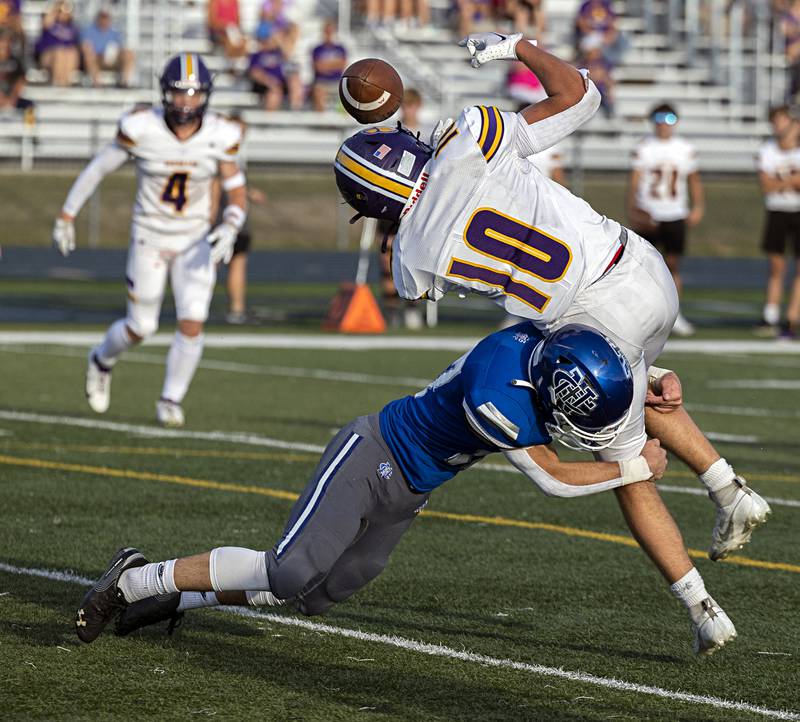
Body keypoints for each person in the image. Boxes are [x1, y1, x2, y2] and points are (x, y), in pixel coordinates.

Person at [333, 32, 771, 558]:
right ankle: (726, 487)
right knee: (639, 387)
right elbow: (581, 96)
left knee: (625, 468)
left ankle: (698, 604)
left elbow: (415, 242)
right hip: (638, 263)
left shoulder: (411, 262)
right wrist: (518, 47)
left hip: (592, 318)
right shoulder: (469, 137)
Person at [75, 324, 737, 656]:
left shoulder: (553, 343)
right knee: (291, 568)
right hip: (374, 455)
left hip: (413, 487)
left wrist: (653, 376)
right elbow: (555, 478)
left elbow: (605, 352)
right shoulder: (495, 392)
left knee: (319, 596)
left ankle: (178, 600)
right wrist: (636, 469)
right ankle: (136, 582)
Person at [51, 54, 248, 427]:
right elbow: (98, 169)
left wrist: (231, 224)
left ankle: (170, 399)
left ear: (206, 95)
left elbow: (236, 190)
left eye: (193, 94)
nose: (186, 102)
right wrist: (67, 213)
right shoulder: (142, 127)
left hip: (194, 239)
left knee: (193, 320)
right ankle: (101, 359)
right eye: (178, 93)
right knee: (141, 327)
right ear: (164, 93)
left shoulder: (221, 134)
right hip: (150, 236)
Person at [628, 103, 704, 337]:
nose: (664, 124)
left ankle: (675, 315)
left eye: (669, 119)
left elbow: (693, 179)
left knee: (672, 266)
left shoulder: (684, 148)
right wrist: (633, 208)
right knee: (641, 267)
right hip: (648, 211)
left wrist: (698, 205)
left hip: (674, 212)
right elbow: (634, 181)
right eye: (660, 118)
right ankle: (638, 315)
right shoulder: (645, 147)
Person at [756, 104, 800, 339]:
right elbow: (766, 186)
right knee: (776, 266)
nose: (779, 125)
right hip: (778, 210)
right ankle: (770, 314)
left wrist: (780, 182)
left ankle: (792, 317)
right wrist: (792, 180)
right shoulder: (768, 149)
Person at [248, 28, 303, 111]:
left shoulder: (278, 52)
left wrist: (279, 41)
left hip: (280, 83)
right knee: (274, 94)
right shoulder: (256, 55)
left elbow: (289, 54)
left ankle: (295, 110)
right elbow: (255, 72)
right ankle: (269, 120)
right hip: (265, 85)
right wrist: (270, 82)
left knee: (295, 81)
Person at [81, 9, 135, 88]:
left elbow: (119, 48)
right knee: (89, 54)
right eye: (102, 18)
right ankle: (97, 83)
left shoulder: (114, 33)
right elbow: (85, 47)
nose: (104, 20)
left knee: (129, 53)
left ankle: (125, 82)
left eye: (106, 18)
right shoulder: (88, 31)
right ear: (98, 19)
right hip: (96, 59)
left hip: (111, 59)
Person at [35, 0, 80, 86]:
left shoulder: (72, 27)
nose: (63, 12)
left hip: (66, 56)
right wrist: (57, 7)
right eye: (61, 10)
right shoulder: (51, 21)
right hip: (46, 56)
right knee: (59, 52)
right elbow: (45, 23)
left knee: (71, 53)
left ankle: (65, 84)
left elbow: (73, 46)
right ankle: (57, 83)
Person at [310, 19, 347, 112]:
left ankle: (343, 121)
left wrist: (326, 64)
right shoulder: (317, 49)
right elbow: (318, 68)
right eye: (327, 31)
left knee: (348, 92)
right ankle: (321, 121)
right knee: (318, 91)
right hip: (322, 81)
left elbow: (342, 65)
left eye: (331, 31)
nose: (329, 34)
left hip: (336, 81)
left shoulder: (341, 48)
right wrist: (334, 64)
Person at [0, 29, 33, 121]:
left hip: (11, 97)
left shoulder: (16, 61)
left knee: (29, 105)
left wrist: (12, 98)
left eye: (6, 42)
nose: (4, 45)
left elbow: (21, 80)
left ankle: (29, 132)